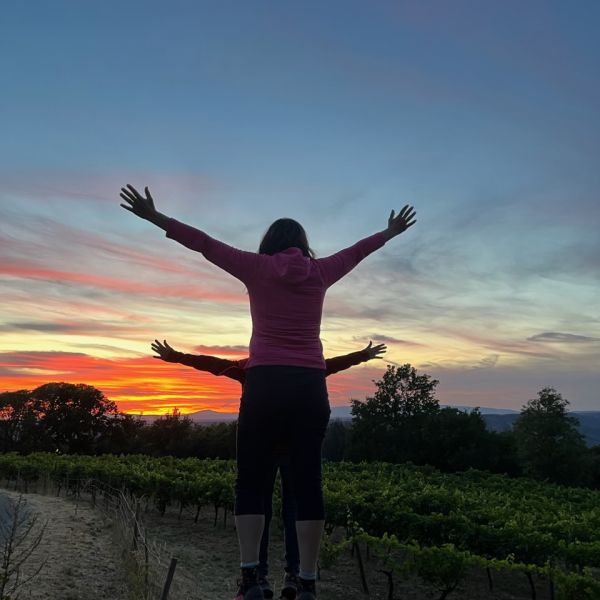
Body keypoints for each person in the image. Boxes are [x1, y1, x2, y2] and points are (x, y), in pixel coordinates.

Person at [120, 184, 416, 600]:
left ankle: (251, 581)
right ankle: (307, 582)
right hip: (309, 385)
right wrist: (389, 233)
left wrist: (155, 218)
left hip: (264, 383)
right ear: (303, 245)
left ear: (269, 243)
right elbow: (358, 250)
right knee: (308, 484)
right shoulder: (322, 270)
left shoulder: (255, 267)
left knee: (250, 484)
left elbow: (205, 244)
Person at [151, 339, 386, 599]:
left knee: (257, 509)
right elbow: (329, 366)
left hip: (261, 448)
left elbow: (214, 365)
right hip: (295, 450)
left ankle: (258, 578)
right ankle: (294, 577)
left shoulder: (251, 368)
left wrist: (176, 356)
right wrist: (362, 355)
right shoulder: (304, 368)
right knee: (294, 510)